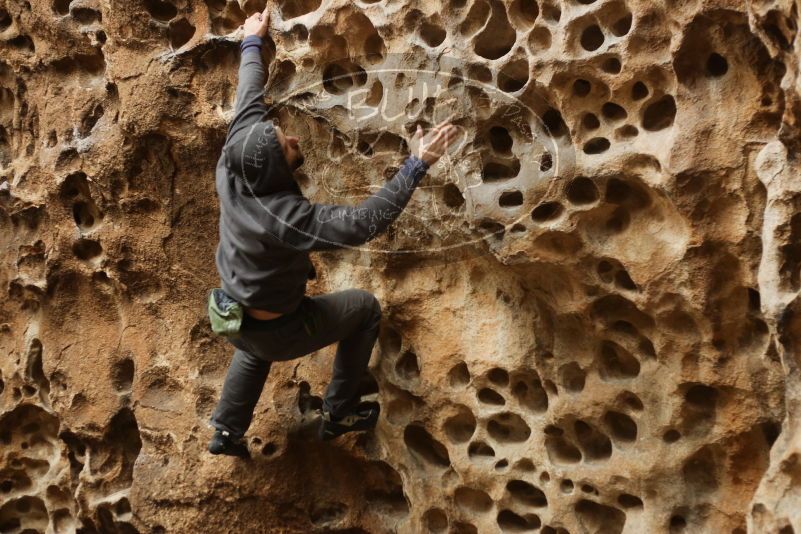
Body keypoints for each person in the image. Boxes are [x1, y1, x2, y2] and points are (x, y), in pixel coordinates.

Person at [207, 6, 458, 458]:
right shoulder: (284, 217)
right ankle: (340, 410)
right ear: (275, 172)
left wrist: (251, 41)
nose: (295, 140)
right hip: (276, 329)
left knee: (251, 347)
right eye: (288, 148)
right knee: (363, 308)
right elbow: (362, 224)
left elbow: (248, 95)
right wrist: (418, 164)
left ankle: (226, 432)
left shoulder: (235, 157)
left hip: (231, 313)